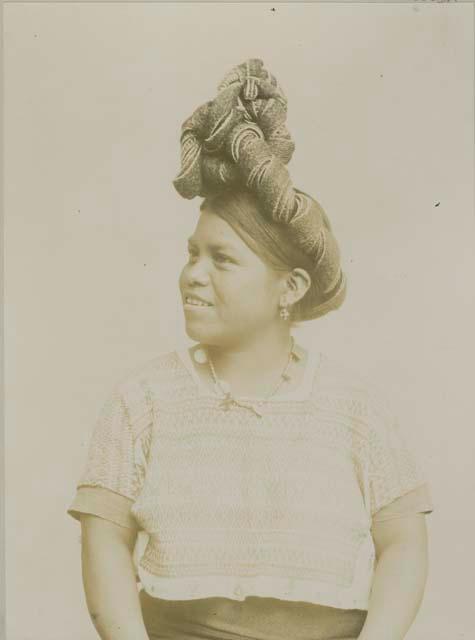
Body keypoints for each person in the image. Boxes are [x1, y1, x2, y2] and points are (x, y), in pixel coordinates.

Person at [67, 58, 434, 640]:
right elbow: (105, 538)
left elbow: (403, 540)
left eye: (223, 259)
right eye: (192, 253)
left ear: (289, 288)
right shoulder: (143, 401)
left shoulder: (355, 408)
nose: (193, 275)